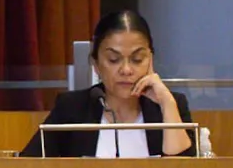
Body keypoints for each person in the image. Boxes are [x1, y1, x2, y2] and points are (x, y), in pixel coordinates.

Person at [20, 10, 195, 158]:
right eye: (113, 59)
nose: (126, 70)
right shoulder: (72, 108)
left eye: (137, 59)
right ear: (96, 64)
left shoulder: (171, 106)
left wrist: (167, 103)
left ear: (150, 60)